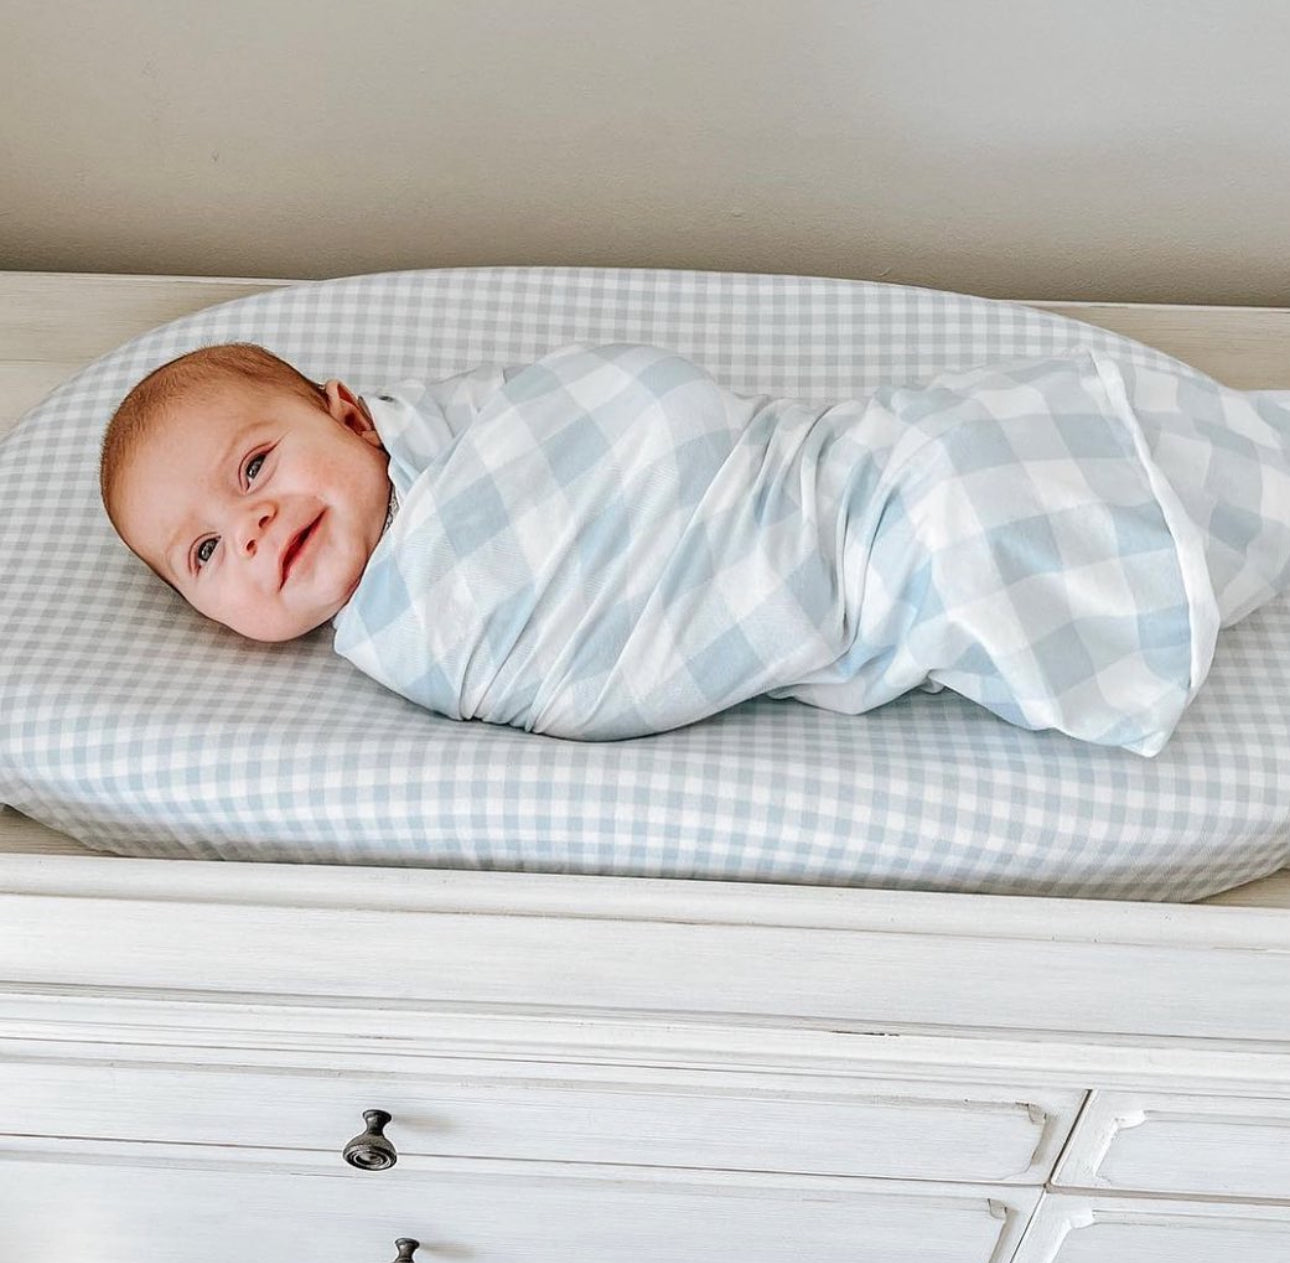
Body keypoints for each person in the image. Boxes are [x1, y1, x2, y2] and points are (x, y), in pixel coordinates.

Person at [100, 339, 1290, 753]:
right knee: (985, 528)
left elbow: (646, 415)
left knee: (979, 467)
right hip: (866, 566)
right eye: (202, 556)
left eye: (252, 468)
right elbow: (608, 660)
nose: (247, 528)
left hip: (847, 474)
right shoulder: (423, 632)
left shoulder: (480, 426)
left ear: (354, 416)